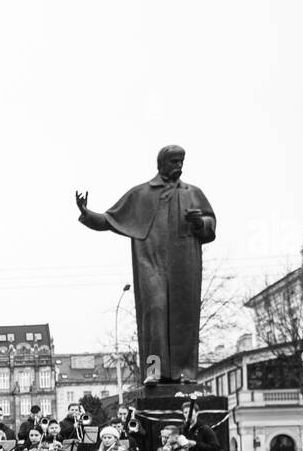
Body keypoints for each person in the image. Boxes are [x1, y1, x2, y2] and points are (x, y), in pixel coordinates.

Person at [76, 145, 216, 383]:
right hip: (152, 264)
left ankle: (185, 372)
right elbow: (110, 220)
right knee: (155, 312)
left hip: (184, 264)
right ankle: (154, 371)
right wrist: (86, 212)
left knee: (185, 317)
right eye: (173, 162)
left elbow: (210, 224)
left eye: (181, 162)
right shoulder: (142, 194)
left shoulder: (193, 193)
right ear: (161, 164)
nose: (179, 167)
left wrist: (199, 223)